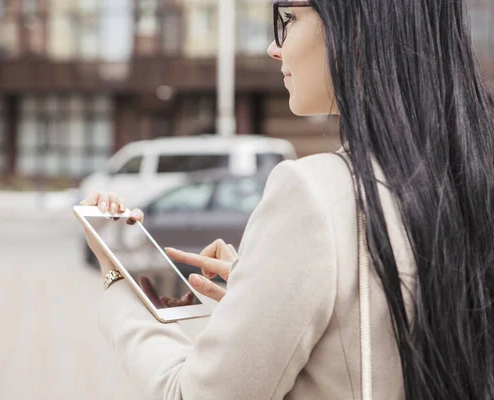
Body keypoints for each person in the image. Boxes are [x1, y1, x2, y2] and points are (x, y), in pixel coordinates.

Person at [78, 0, 494, 398]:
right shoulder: (473, 173)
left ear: (353, 25)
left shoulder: (313, 193)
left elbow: (193, 395)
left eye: (289, 17)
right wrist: (264, 289)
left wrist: (121, 292)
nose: (274, 48)